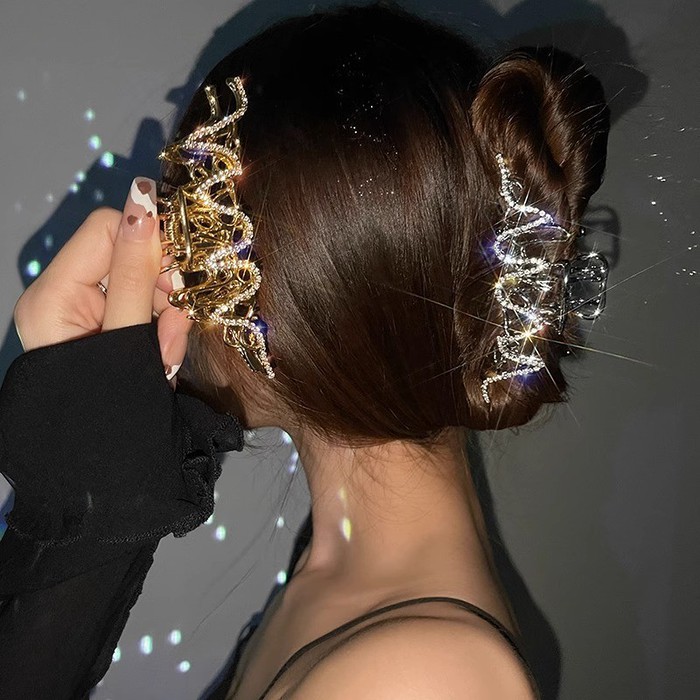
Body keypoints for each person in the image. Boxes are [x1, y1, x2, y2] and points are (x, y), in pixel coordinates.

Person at [0, 2, 610, 698]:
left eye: (197, 231)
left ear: (314, 305)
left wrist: (84, 514)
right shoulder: (349, 587)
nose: (167, 271)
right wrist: (99, 504)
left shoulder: (425, 678)